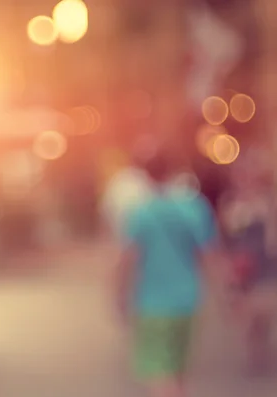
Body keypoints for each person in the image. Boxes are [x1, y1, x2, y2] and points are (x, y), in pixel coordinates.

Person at [115, 152, 219, 397]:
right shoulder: (195, 207)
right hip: (188, 301)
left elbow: (125, 260)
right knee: (179, 373)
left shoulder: (140, 212)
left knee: (160, 375)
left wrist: (119, 297)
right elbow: (210, 256)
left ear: (145, 176)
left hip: (153, 305)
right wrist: (227, 295)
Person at [218, 153, 277, 373]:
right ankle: (253, 348)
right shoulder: (230, 202)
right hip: (241, 266)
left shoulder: (268, 201)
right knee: (247, 313)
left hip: (265, 262)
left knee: (263, 311)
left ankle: (259, 341)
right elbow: (225, 237)